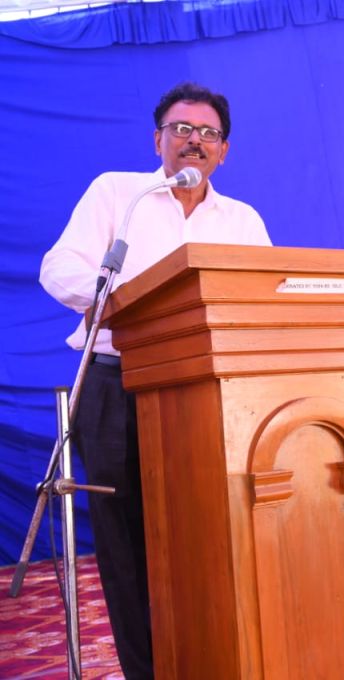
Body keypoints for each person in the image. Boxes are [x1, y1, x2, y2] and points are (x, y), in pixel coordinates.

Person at [39, 83, 272, 679]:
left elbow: (263, 297)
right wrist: (124, 302)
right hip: (118, 384)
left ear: (224, 150)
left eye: (208, 133)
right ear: (158, 139)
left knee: (212, 533)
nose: (195, 140)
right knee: (129, 545)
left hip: (212, 392)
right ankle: (148, 670)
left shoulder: (242, 220)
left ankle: (215, 660)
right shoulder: (122, 195)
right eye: (181, 129)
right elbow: (59, 267)